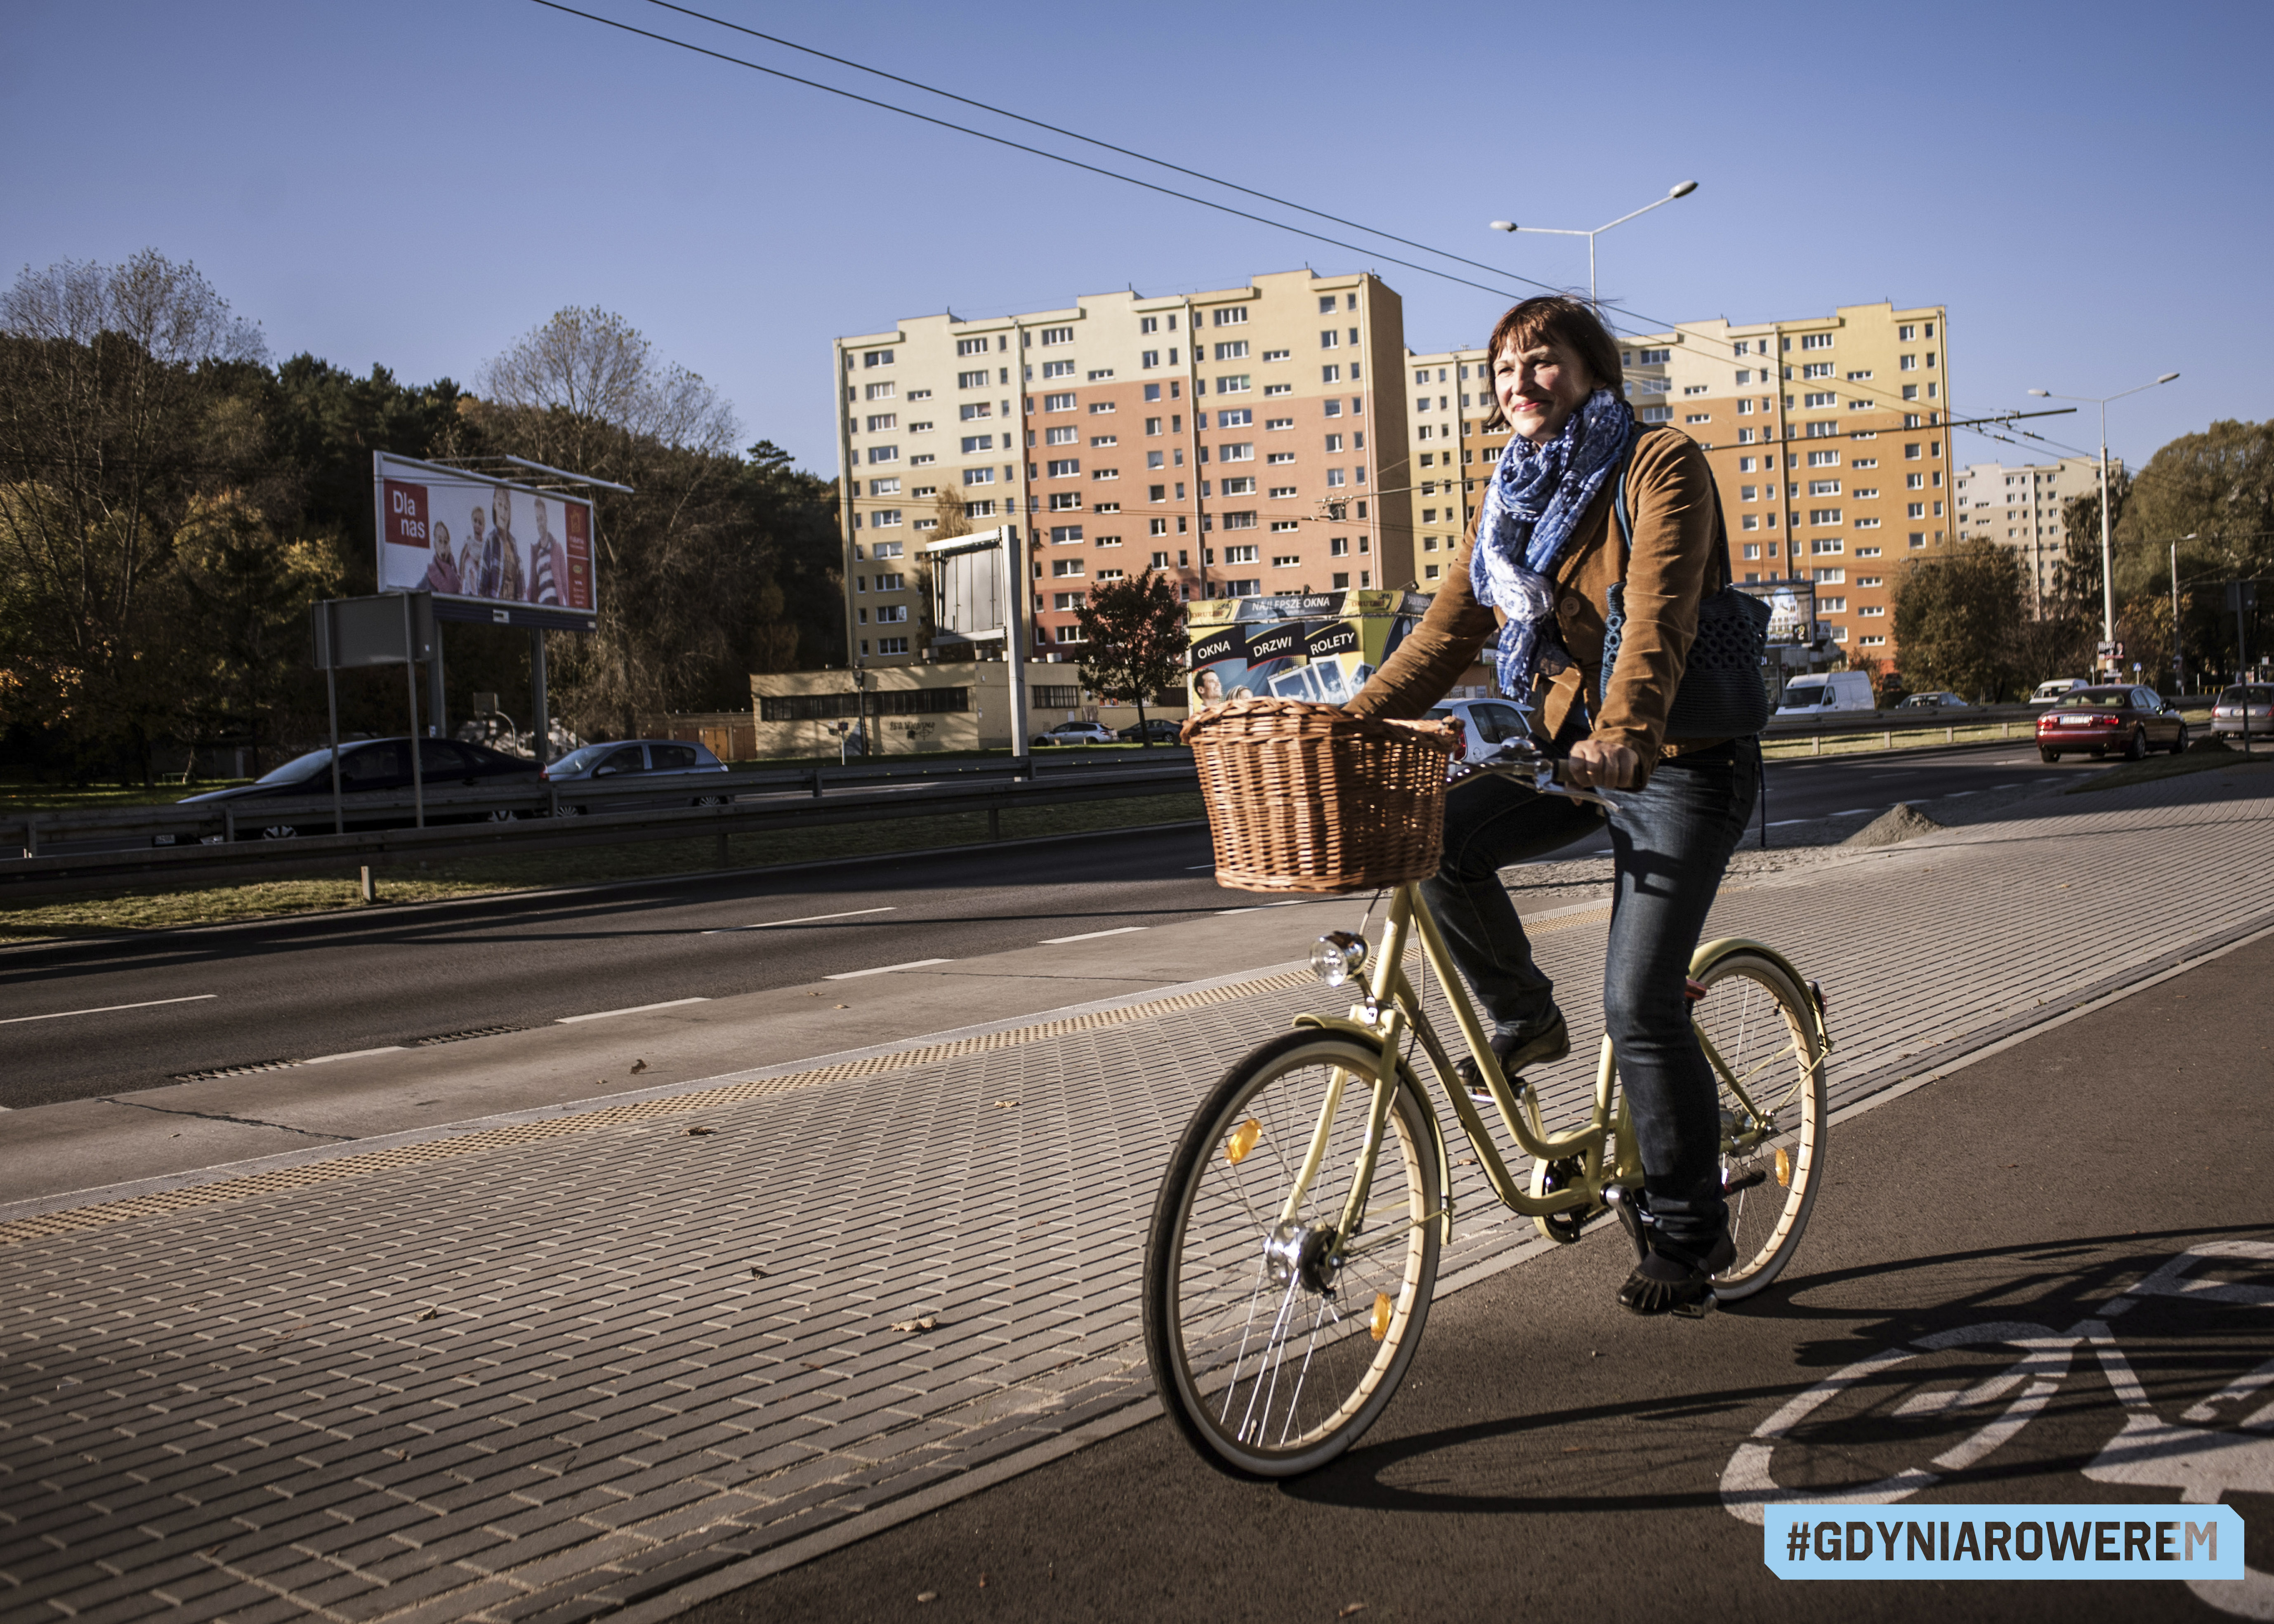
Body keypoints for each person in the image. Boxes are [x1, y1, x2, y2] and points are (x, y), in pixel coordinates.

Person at [1343, 295, 1760, 1318]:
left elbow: (1655, 608)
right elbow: (1443, 637)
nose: (1519, 383)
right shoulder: (1510, 504)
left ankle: (1687, 1228)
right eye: (1502, 371)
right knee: (1436, 841)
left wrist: (1625, 734)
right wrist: (1346, 724)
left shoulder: (1656, 463)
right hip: (1573, 755)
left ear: (1591, 371)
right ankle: (1524, 1022)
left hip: (1678, 762)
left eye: (1541, 361)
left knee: (1639, 1004)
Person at [527, 497, 566, 606]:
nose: (540, 523)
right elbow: (532, 584)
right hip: (543, 609)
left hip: (557, 607)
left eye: (542, 518)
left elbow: (565, 583)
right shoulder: (535, 553)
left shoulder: (557, 549)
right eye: (537, 520)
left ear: (546, 518)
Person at [422, 521, 462, 595]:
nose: (443, 545)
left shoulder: (456, 577)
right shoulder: (429, 577)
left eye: (446, 542)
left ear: (449, 546)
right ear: (435, 545)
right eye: (440, 541)